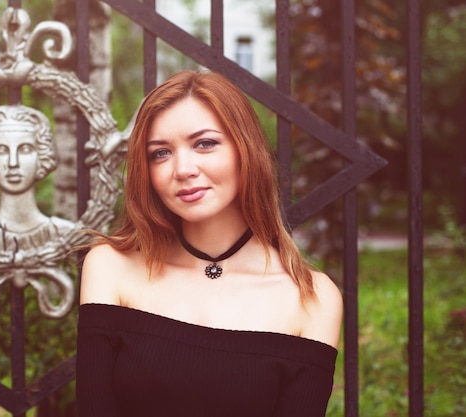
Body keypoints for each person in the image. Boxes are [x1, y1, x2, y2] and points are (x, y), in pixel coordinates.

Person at [76, 70, 343, 417]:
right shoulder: (111, 267)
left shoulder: (311, 297)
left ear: (245, 149)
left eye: (205, 143)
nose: (183, 169)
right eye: (160, 153)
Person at [0, 105, 74, 250]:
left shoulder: (65, 233)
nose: (13, 163)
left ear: (42, 155)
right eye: (1, 150)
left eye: (25, 149)